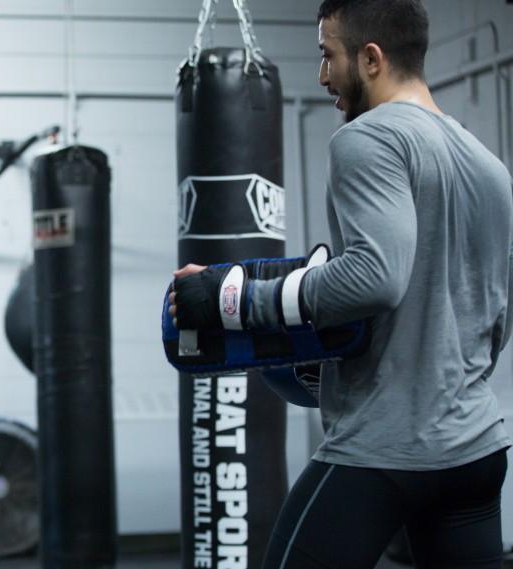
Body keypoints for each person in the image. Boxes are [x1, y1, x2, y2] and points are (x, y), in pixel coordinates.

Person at [169, 0, 513, 566]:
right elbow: (495, 314)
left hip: (385, 452)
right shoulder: (489, 166)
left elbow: (375, 278)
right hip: (475, 451)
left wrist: (232, 298)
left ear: (371, 58)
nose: (323, 75)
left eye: (328, 56)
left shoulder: (368, 138)